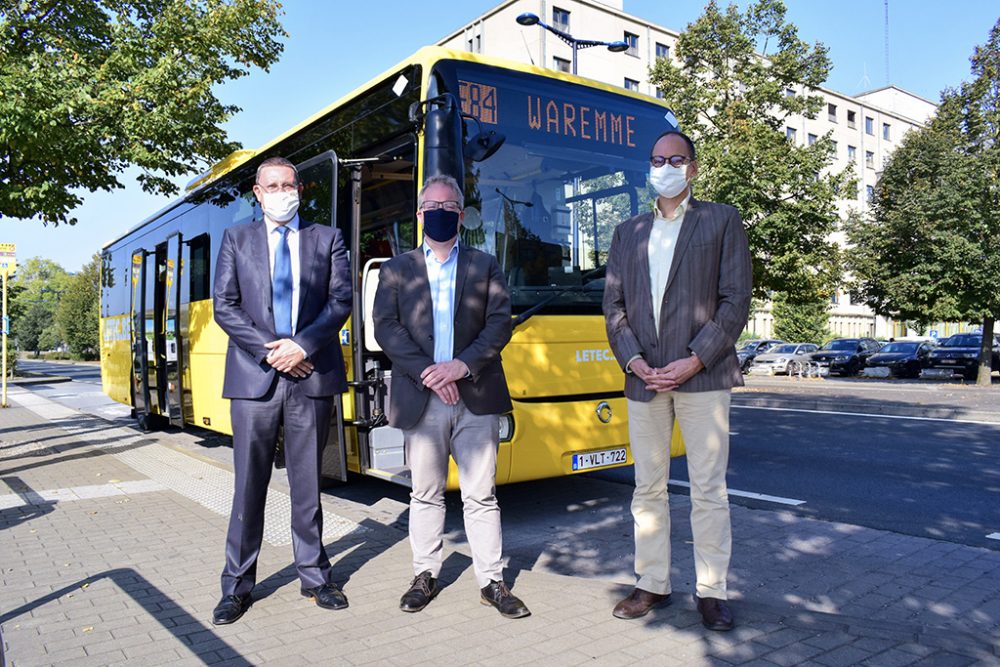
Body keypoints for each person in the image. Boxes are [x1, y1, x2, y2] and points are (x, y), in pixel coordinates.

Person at [602, 130, 752, 631]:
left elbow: (736, 300)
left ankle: (712, 591)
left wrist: (694, 359)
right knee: (648, 488)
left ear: (693, 168)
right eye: (656, 159)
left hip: (702, 378)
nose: (664, 166)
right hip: (645, 378)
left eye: (675, 159)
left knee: (708, 489)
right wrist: (634, 361)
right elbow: (615, 307)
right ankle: (651, 583)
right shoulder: (627, 232)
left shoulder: (722, 220)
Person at [373, 174, 530, 619]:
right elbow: (386, 326)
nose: (439, 213)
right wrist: (428, 371)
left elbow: (500, 323)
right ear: (419, 214)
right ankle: (425, 575)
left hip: (474, 394)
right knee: (425, 493)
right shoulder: (396, 269)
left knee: (481, 496)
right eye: (431, 206)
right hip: (422, 397)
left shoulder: (485, 265)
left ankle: (492, 581)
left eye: (449, 206)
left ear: (462, 215)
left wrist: (460, 366)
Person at [211, 156, 353, 625]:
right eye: (272, 185)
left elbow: (340, 302)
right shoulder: (236, 240)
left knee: (307, 486)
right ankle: (236, 586)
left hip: (310, 375)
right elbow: (226, 307)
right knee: (248, 487)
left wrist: (302, 345)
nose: (281, 191)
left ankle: (315, 576)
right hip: (255, 381)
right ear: (257, 192)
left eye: (288, 184)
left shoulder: (327, 238)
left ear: (300, 189)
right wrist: (272, 352)